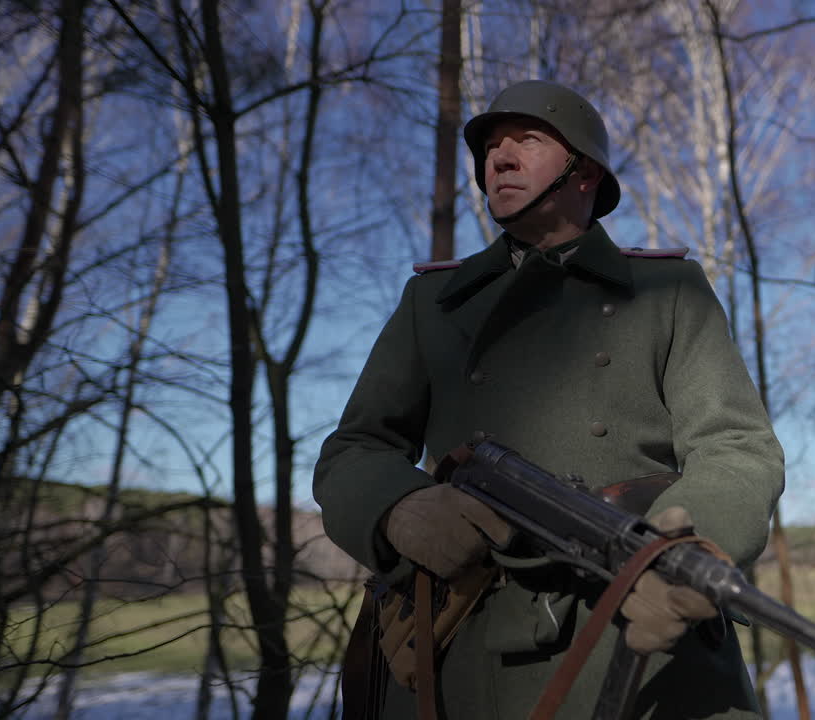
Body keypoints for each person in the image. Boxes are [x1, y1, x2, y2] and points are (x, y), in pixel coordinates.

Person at [314, 79, 784, 719]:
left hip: (634, 621)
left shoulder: (669, 290)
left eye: (526, 140)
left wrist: (677, 556)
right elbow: (356, 448)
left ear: (584, 170)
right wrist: (400, 509)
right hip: (460, 639)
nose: (498, 158)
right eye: (490, 147)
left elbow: (736, 447)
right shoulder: (433, 302)